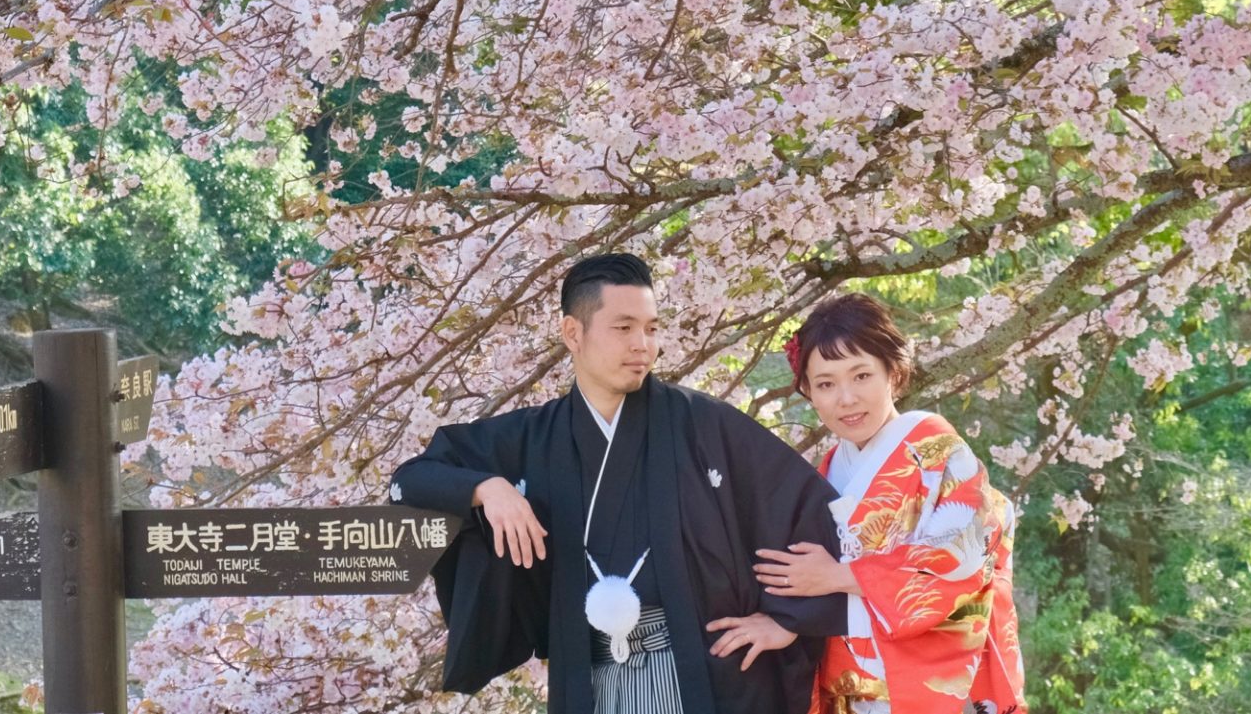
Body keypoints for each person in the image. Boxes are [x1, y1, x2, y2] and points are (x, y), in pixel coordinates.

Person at [390, 253, 848, 714]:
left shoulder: (702, 422)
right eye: (624, 328)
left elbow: (803, 506)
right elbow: (412, 480)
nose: (643, 345)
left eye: (651, 328)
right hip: (590, 676)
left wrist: (787, 620)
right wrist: (487, 488)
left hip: (698, 671)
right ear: (573, 333)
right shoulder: (530, 438)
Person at [750, 293, 1026, 714]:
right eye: (825, 384)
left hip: (923, 684)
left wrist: (842, 576)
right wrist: (789, 623)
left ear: (893, 374)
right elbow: (811, 584)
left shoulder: (937, 450)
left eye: (861, 376)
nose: (846, 398)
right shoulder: (824, 472)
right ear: (808, 391)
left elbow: (961, 561)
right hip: (846, 686)